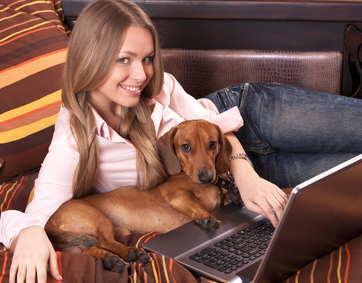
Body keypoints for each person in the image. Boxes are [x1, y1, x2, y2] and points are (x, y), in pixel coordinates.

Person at [1, 0, 361, 282]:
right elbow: (39, 213)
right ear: (89, 59)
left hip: (246, 124)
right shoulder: (74, 137)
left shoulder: (161, 87)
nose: (141, 74)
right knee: (353, 181)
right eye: (123, 60)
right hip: (237, 181)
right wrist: (26, 234)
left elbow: (217, 127)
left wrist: (246, 176)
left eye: (147, 59)